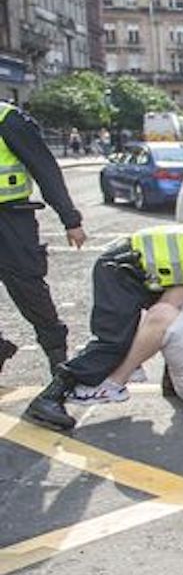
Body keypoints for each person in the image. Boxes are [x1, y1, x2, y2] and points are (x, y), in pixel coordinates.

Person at [23, 223, 183, 431]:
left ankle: (158, 372)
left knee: (182, 293)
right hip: (120, 271)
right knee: (113, 342)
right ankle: (50, 397)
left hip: (137, 273)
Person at [0, 101, 87, 376]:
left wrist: (70, 219)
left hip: (10, 220)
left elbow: (44, 168)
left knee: (29, 292)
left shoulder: (7, 119)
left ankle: (58, 364)